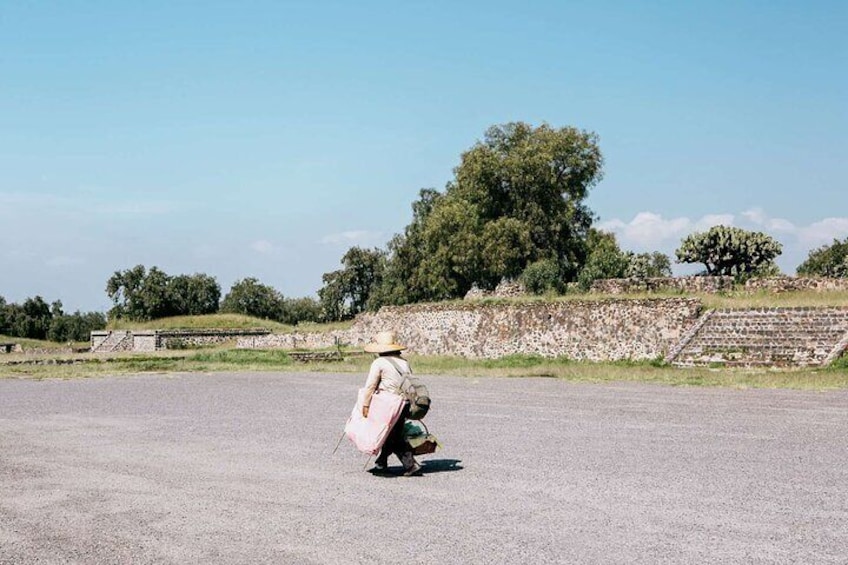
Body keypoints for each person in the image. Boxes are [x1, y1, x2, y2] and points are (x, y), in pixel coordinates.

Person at [362, 331, 422, 476]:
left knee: (389, 434)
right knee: (392, 433)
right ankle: (381, 462)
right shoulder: (404, 362)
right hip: (404, 402)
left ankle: (410, 465)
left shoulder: (379, 362)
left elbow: (370, 385)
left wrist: (365, 404)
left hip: (388, 403)